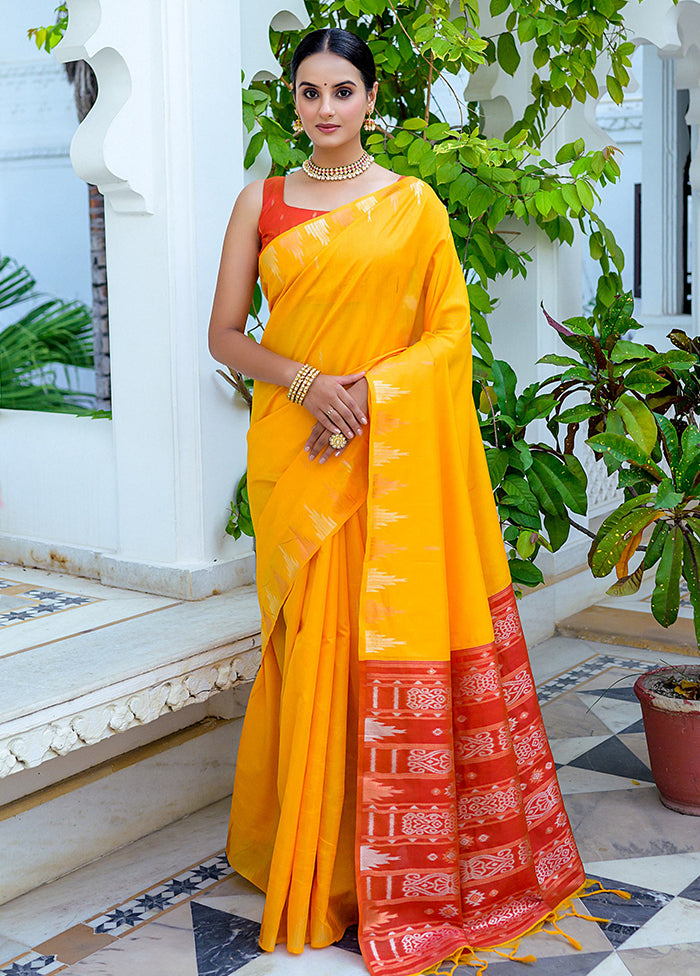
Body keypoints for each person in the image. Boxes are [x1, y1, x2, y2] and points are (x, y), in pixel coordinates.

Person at [209, 27, 586, 976]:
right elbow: (224, 335)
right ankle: (319, 866)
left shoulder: (413, 206)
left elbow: (450, 336)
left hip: (384, 458)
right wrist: (308, 385)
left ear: (372, 100)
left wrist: (367, 395)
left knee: (377, 644)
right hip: (300, 454)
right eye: (309, 92)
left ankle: (392, 876)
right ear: (292, 102)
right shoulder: (262, 202)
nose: (325, 109)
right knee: (313, 648)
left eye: (343, 91)